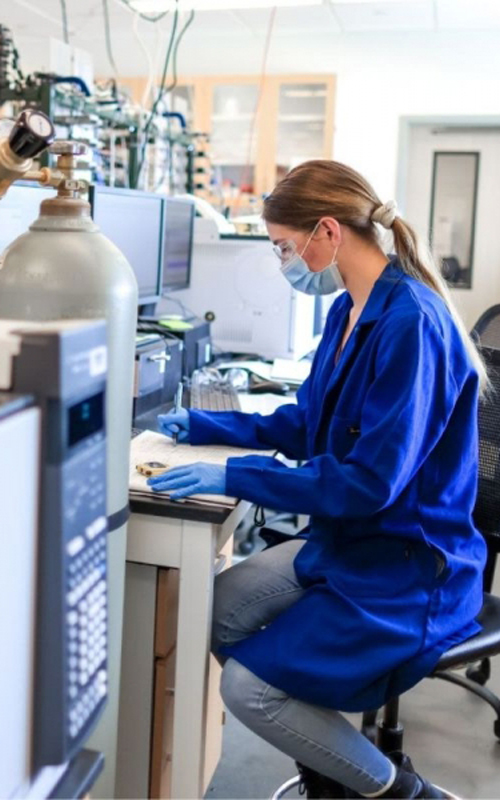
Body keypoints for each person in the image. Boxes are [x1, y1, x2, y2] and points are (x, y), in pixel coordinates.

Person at [147, 160, 487, 799]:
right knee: (213, 611)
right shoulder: (350, 310)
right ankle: (333, 764)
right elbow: (308, 423)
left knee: (248, 687)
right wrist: (206, 427)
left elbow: (368, 484)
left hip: (408, 568)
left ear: (326, 232)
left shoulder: (411, 322)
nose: (283, 263)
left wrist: (239, 475)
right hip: (350, 541)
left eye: (282, 246)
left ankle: (402, 792)